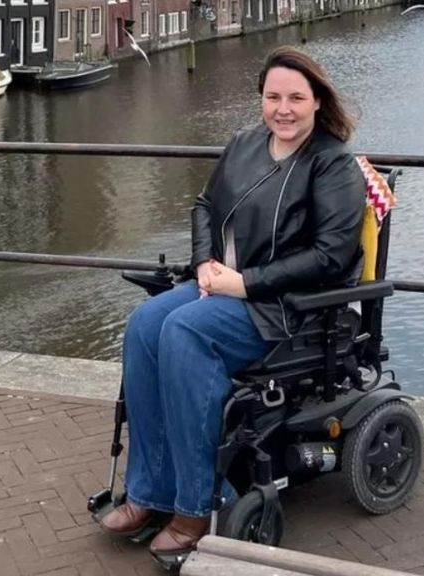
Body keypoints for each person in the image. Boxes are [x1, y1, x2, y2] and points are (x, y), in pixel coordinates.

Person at [99, 45, 366, 562]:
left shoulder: (332, 165)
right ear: (261, 100)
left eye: (295, 97)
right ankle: (150, 490)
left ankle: (195, 508)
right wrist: (204, 264)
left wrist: (245, 283)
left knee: (183, 332)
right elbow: (204, 206)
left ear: (317, 101)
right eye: (272, 97)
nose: (282, 109)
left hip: (284, 305)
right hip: (219, 284)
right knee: (144, 324)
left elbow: (331, 256)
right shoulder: (244, 144)